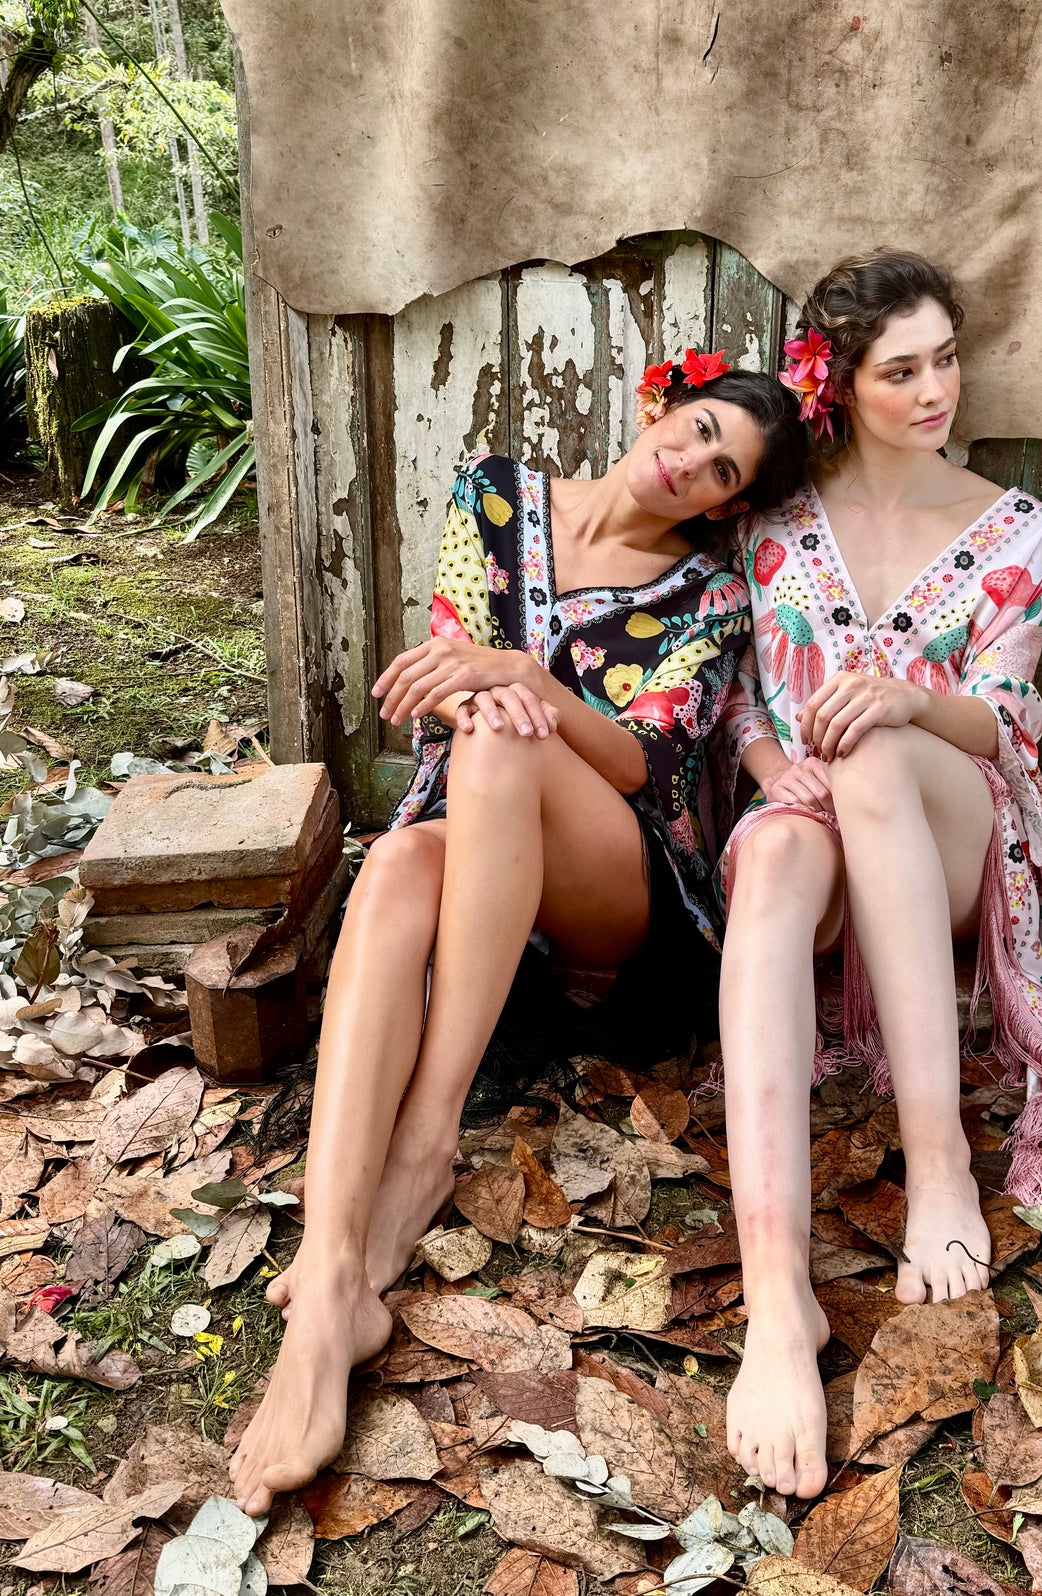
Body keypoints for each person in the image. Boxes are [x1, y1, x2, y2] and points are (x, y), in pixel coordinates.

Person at [228, 353, 809, 1517]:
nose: (686, 463)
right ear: (659, 406)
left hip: (618, 898)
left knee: (505, 740)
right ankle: (334, 1266)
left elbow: (648, 759)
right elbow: (440, 678)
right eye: (694, 429)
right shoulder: (494, 496)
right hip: (470, 847)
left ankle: (425, 1140)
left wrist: (521, 680)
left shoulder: (708, 595)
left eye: (719, 471)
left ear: (726, 506)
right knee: (392, 864)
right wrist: (479, 685)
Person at [715, 252, 1042, 1499]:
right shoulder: (768, 530)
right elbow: (744, 702)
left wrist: (908, 700)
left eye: (944, 360)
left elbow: (1002, 727)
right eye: (898, 370)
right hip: (820, 848)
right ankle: (774, 1299)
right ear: (840, 385)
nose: (932, 391)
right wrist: (766, 770)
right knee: (775, 854)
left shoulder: (1012, 527)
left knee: (873, 753)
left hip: (958, 833)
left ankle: (940, 1163)